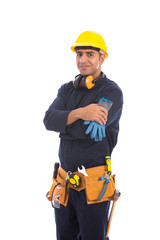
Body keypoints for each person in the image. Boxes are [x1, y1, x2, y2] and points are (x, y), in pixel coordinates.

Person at [43, 30, 123, 240]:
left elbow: (88, 132)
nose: (83, 59)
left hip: (94, 186)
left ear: (102, 57)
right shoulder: (66, 90)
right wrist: (82, 113)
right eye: (80, 54)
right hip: (64, 184)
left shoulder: (111, 93)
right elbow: (49, 120)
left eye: (90, 54)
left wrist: (64, 124)